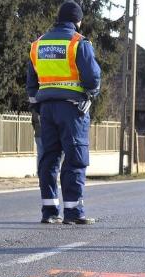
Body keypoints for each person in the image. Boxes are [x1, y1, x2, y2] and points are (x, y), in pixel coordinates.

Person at [26, 1, 100, 225]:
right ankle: (73, 212)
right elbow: (93, 77)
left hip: (46, 110)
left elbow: (31, 83)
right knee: (75, 159)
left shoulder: (37, 45)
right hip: (72, 109)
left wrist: (37, 106)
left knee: (49, 159)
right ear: (77, 20)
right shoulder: (78, 42)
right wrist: (90, 94)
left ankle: (49, 212)